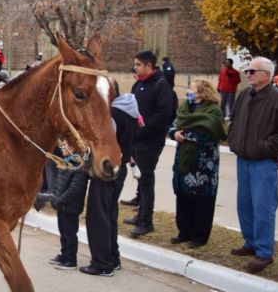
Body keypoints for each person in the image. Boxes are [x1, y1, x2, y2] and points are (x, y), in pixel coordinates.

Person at [227, 57, 278, 273]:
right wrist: (234, 141)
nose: (248, 74)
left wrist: (265, 147)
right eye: (248, 70)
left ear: (266, 75)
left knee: (263, 207)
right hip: (243, 159)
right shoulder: (244, 94)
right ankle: (250, 243)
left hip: (263, 161)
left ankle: (264, 252)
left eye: (253, 71)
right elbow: (233, 121)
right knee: (245, 204)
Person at [82, 80, 140, 276]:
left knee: (98, 217)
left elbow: (105, 142)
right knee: (109, 214)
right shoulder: (130, 109)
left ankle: (102, 263)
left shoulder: (112, 114)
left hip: (107, 169)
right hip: (120, 168)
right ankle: (112, 258)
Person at [168, 79, 226, 248]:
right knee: (184, 198)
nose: (188, 92)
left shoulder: (213, 110)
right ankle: (184, 231)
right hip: (184, 163)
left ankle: (199, 236)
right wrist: (174, 134)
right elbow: (173, 126)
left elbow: (211, 133)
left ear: (202, 92)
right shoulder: (185, 108)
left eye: (191, 89)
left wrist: (185, 135)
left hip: (203, 166)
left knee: (202, 201)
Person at [126, 50, 175, 237]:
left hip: (151, 141)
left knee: (146, 179)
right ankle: (140, 215)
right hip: (136, 140)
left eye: (138, 64)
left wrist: (141, 129)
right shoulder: (138, 84)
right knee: (140, 178)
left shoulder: (162, 86)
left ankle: (146, 222)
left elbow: (163, 116)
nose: (135, 68)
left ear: (148, 65)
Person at [46, 146, 89, 271]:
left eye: (65, 145)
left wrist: (60, 200)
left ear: (72, 148)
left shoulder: (79, 166)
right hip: (62, 206)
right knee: (63, 233)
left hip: (71, 207)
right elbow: (58, 182)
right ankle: (64, 255)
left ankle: (71, 260)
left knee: (70, 234)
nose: (62, 147)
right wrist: (53, 196)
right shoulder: (66, 162)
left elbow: (75, 189)